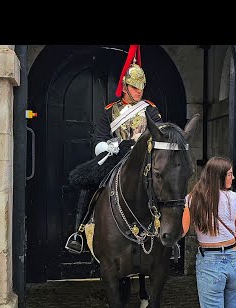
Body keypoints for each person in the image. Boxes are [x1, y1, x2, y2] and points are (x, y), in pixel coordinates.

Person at [65, 44, 163, 253]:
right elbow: (99, 139)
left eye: (141, 88)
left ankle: (167, 236)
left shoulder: (151, 110)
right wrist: (112, 145)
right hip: (117, 157)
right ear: (125, 87)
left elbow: (159, 134)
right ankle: (78, 232)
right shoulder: (110, 112)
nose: (139, 92)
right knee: (89, 182)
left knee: (166, 185)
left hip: (144, 157)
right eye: (135, 88)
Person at [189, 156, 236, 308]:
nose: (233, 177)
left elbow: (180, 231)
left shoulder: (193, 198)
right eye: (230, 174)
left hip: (210, 261)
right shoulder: (235, 198)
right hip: (235, 259)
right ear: (219, 176)